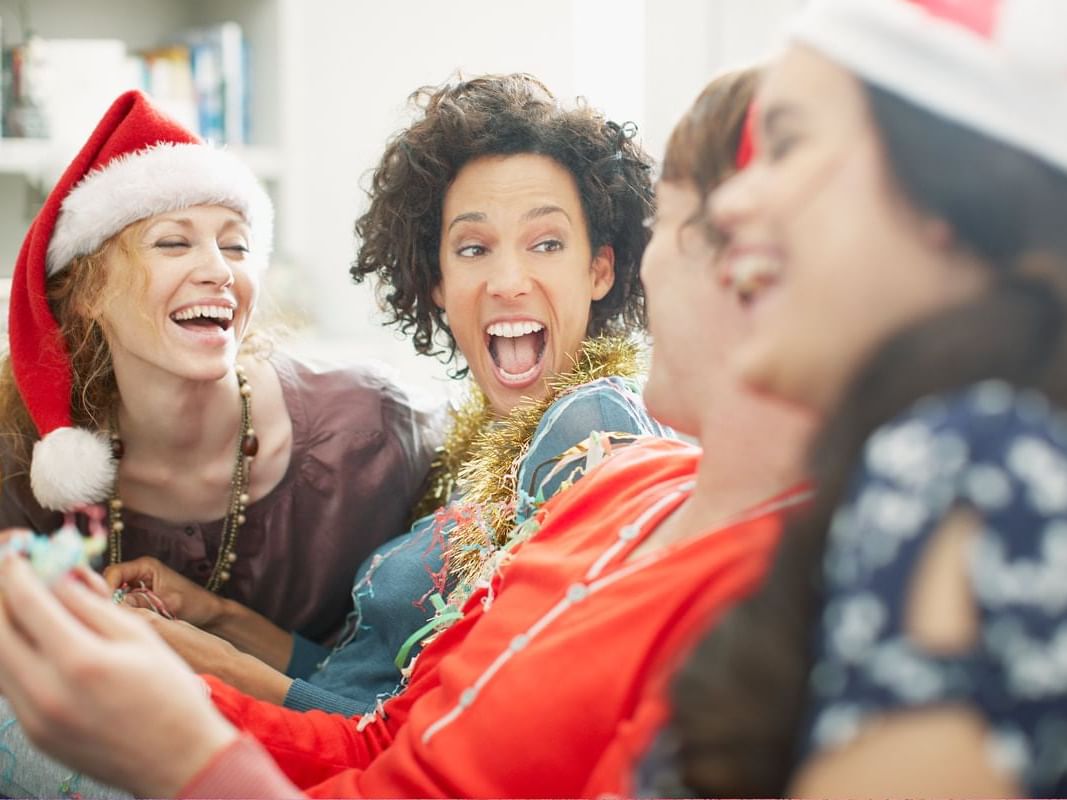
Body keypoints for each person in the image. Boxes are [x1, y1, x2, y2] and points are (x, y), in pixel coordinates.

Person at [0, 67, 818, 798]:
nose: (505, 279)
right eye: (472, 248)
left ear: (603, 269)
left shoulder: (590, 436)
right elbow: (386, 683)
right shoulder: (469, 450)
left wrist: (202, 666)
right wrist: (216, 619)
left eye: (545, 242)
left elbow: (409, 736)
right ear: (434, 279)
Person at [653, 0, 1067, 796]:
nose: (732, 204)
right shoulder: (927, 460)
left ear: (945, 190)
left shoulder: (975, 459)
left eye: (788, 144)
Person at [0, 89, 435, 649]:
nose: (219, 271)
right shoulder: (18, 455)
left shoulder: (373, 431)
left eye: (236, 247)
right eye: (173, 242)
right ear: (86, 293)